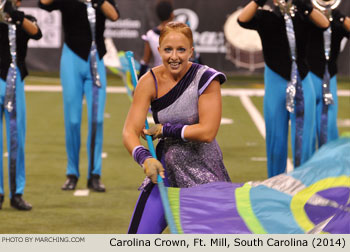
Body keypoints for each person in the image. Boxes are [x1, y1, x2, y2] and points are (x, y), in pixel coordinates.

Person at [123, 21, 231, 233]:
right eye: (168, 50)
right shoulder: (148, 81)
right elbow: (129, 131)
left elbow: (207, 132)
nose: (174, 56)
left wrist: (165, 129)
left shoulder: (207, 79)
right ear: (159, 50)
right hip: (165, 170)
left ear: (191, 51)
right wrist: (144, 158)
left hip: (204, 170)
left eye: (181, 49)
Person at [237, 0, 329, 177]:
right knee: (276, 139)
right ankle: (275, 183)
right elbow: (242, 20)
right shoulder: (266, 17)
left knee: (304, 139)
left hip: (303, 79)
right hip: (275, 81)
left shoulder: (303, 14)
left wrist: (304, 5)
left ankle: (304, 182)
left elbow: (325, 24)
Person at [39, 0, 119, 192]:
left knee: (96, 120)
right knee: (73, 120)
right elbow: (44, 4)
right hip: (72, 57)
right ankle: (72, 173)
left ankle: (94, 174)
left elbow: (114, 15)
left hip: (96, 58)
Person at [0, 0, 42, 210]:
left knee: (16, 140)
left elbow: (36, 33)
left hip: (14, 83)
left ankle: (17, 193)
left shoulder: (22, 19)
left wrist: (14, 15)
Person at [306, 3, 350, 148]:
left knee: (329, 127)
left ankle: (329, 166)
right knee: (308, 128)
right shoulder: (307, 18)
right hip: (309, 76)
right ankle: (309, 167)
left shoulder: (337, 20)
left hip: (329, 77)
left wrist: (341, 17)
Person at [138, 0, 174, 79]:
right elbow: (191, 58)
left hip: (158, 78)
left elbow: (145, 61)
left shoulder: (150, 35)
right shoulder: (180, 33)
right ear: (172, 15)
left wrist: (138, 84)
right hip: (177, 77)